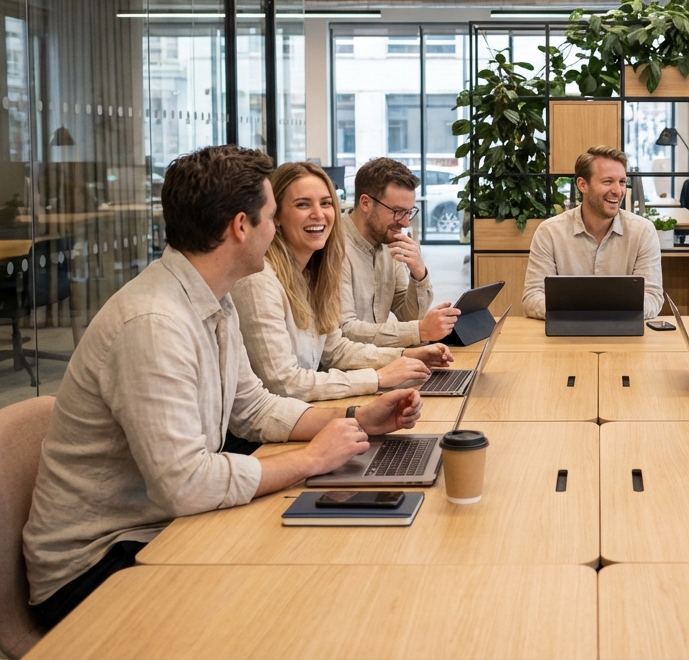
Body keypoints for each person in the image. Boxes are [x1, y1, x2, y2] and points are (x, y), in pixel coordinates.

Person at [22, 146, 424, 630]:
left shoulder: (213, 298)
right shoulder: (154, 324)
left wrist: (356, 419)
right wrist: (311, 460)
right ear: (240, 227)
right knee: (299, 605)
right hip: (97, 565)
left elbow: (252, 408)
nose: (275, 231)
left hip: (160, 528)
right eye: (272, 217)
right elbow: (185, 485)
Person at [233, 162, 453, 403]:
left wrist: (407, 355)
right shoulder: (260, 281)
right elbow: (284, 383)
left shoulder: (312, 271)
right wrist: (379, 377)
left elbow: (334, 348)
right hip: (298, 406)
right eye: (303, 204)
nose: (319, 214)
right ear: (276, 216)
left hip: (312, 401)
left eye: (326, 203)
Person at [522, 145, 663, 319]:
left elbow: (652, 297)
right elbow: (532, 296)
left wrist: (593, 312)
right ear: (583, 185)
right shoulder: (549, 232)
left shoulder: (643, 232)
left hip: (621, 331)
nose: (618, 191)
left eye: (622, 182)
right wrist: (588, 313)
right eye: (607, 181)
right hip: (567, 331)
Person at [341, 157, 460, 347]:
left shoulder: (389, 242)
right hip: (350, 363)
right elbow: (345, 332)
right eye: (397, 211)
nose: (405, 223)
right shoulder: (335, 248)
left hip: (381, 357)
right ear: (365, 203)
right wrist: (419, 330)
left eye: (409, 212)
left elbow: (408, 317)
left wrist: (419, 274)